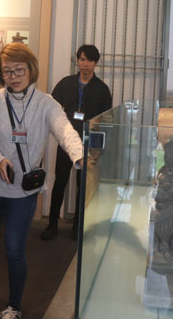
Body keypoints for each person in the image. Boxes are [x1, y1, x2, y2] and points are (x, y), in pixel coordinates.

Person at [0, 43, 82, 319]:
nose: (13, 76)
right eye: (7, 72)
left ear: (31, 69)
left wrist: (79, 156)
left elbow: (65, 131)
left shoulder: (45, 103)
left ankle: (14, 305)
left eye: (19, 70)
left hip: (23, 191)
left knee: (15, 249)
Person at [41, 44, 112, 241]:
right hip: (66, 142)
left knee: (83, 187)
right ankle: (52, 224)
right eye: (82, 59)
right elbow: (51, 108)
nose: (85, 64)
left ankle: (78, 227)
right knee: (59, 182)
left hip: (88, 145)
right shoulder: (66, 83)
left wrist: (98, 148)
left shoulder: (102, 89)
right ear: (77, 60)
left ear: (96, 63)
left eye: (89, 60)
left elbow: (106, 121)